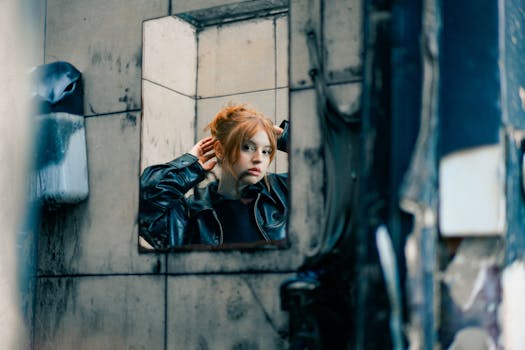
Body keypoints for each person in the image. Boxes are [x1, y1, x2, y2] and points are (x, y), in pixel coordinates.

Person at [139, 102, 289, 251]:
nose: (259, 159)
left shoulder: (284, 192)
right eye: (248, 147)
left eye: (266, 151)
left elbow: (312, 163)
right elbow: (145, 197)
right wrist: (189, 164)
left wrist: (285, 136)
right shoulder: (192, 213)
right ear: (219, 149)